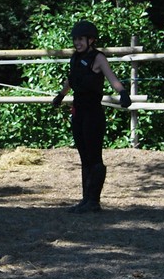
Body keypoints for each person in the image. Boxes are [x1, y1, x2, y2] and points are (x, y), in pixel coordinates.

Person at [52, 20, 131, 213]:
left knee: (94, 156)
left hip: (93, 113)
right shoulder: (75, 58)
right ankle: (85, 198)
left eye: (81, 39)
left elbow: (112, 78)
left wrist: (122, 93)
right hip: (78, 111)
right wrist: (61, 95)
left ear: (91, 40)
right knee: (83, 156)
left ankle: (94, 201)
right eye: (75, 39)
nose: (77, 43)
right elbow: (71, 80)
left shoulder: (98, 58)